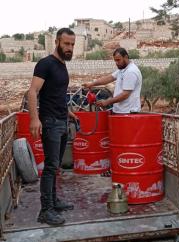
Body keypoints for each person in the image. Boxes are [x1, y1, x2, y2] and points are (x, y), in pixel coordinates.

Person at [27, 28, 77, 225]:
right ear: (57, 42)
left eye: (72, 44)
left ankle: (54, 201)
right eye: (66, 44)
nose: (69, 48)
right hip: (49, 122)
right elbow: (32, 92)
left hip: (62, 121)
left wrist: (68, 112)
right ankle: (45, 210)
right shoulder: (45, 64)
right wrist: (34, 119)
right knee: (50, 166)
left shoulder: (62, 65)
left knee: (55, 166)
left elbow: (57, 94)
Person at [82, 48, 142, 113]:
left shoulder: (131, 71)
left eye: (118, 60)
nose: (116, 63)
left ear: (126, 57)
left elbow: (125, 94)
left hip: (127, 112)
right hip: (121, 111)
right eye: (115, 61)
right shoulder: (122, 70)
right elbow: (109, 78)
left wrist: (107, 102)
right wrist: (92, 84)